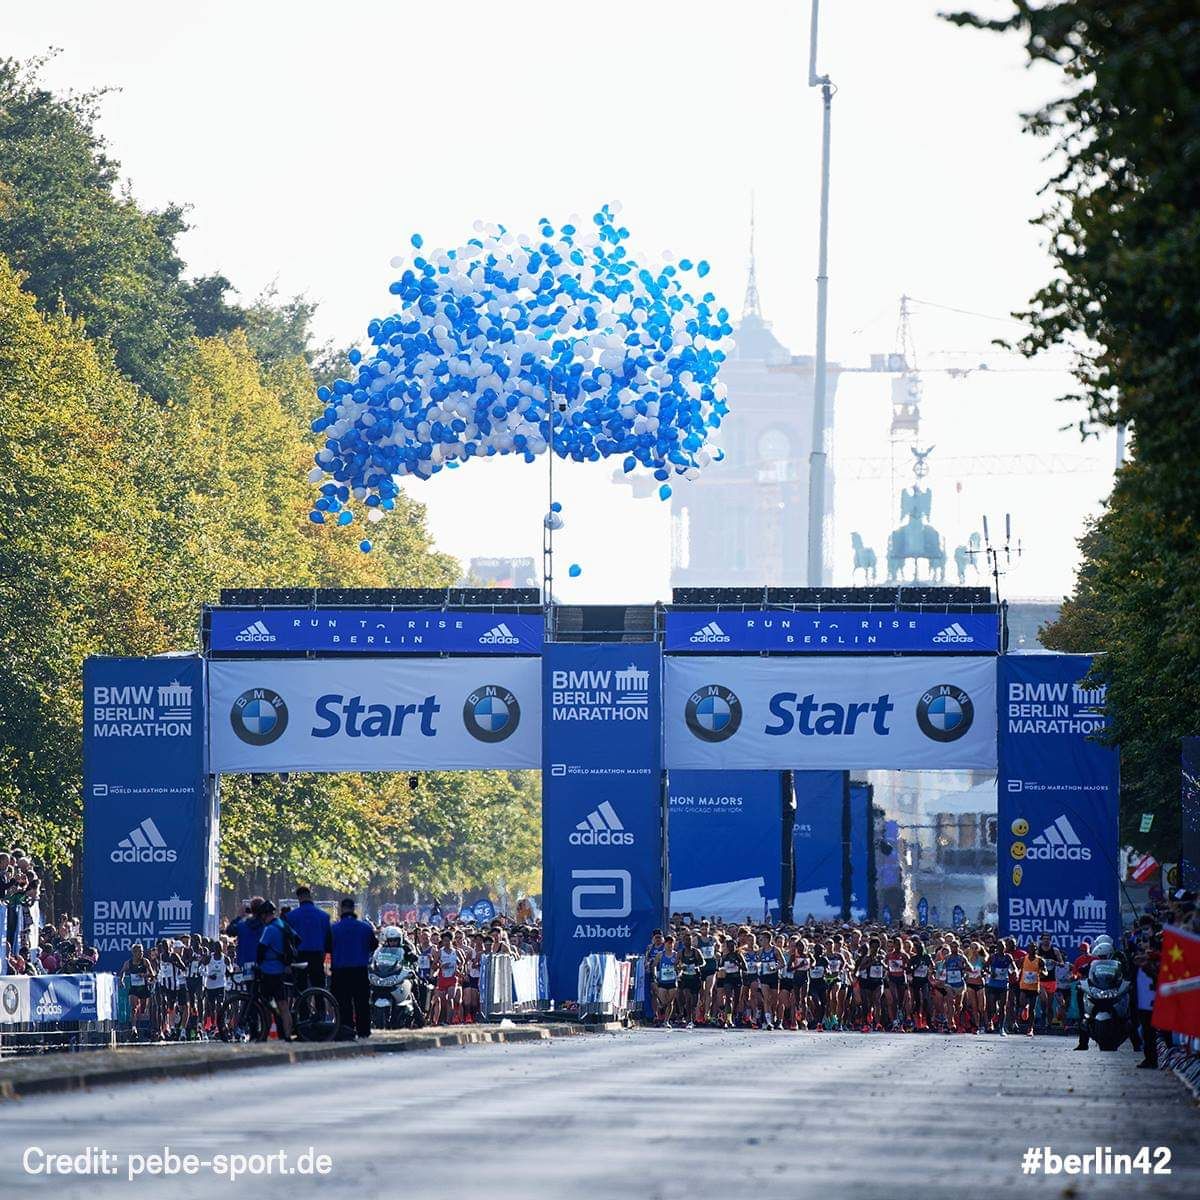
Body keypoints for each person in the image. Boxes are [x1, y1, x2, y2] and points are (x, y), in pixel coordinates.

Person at [330, 896, 377, 1038]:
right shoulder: (365, 928)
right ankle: (364, 1031)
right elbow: (373, 945)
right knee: (362, 1002)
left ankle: (347, 1030)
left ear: (341, 910)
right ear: (353, 909)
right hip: (359, 970)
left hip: (340, 970)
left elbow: (327, 946)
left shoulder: (334, 928)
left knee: (343, 1002)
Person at [255, 900, 295, 1041]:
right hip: (282, 969)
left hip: (268, 970)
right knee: (283, 1005)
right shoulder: (282, 925)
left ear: (264, 915)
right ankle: (287, 1035)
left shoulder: (269, 929)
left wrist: (258, 963)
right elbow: (296, 939)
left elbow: (261, 950)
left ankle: (264, 1034)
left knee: (265, 1004)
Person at [286, 885, 332, 991]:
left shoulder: (290, 916)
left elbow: (287, 939)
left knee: (300, 987)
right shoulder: (324, 916)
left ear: (299, 897)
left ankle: (302, 1001)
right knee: (319, 986)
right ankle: (319, 1002)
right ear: (310, 896)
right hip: (318, 955)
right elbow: (328, 940)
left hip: (299, 956)